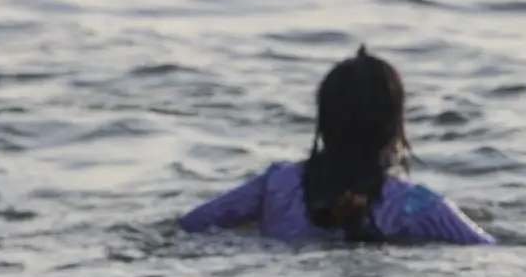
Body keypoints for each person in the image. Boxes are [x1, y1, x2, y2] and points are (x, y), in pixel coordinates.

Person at [179, 48, 493, 245]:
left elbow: (192, 225)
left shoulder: (276, 184)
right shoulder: (418, 206)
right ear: (394, 129)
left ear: (324, 122)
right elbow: (486, 250)